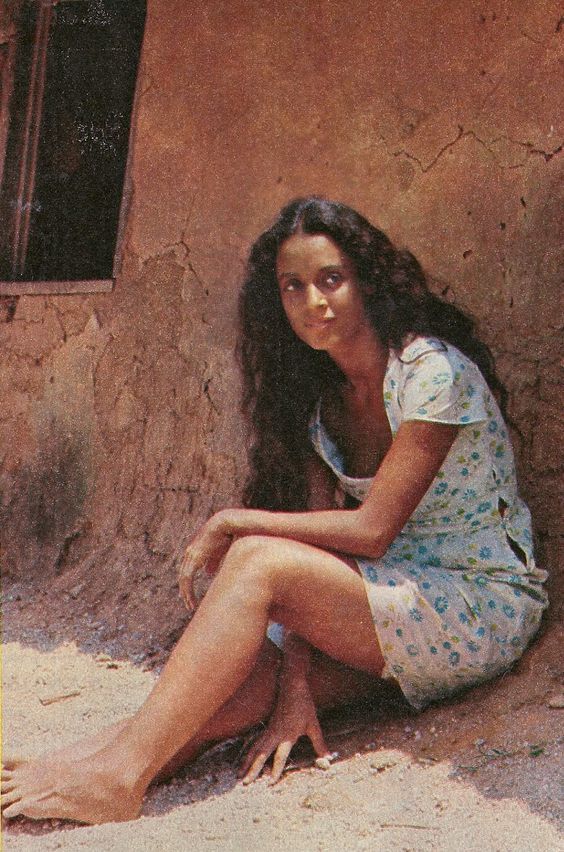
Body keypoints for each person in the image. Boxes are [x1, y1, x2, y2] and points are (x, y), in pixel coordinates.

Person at [1, 197, 548, 825]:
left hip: (478, 605)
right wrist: (296, 691)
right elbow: (323, 559)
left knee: (256, 559)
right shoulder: (317, 399)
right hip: (390, 604)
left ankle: (117, 780)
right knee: (237, 687)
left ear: (366, 281)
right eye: (293, 287)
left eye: (330, 279)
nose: (313, 302)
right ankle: (84, 765)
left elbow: (370, 531)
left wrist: (235, 520)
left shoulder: (431, 373)